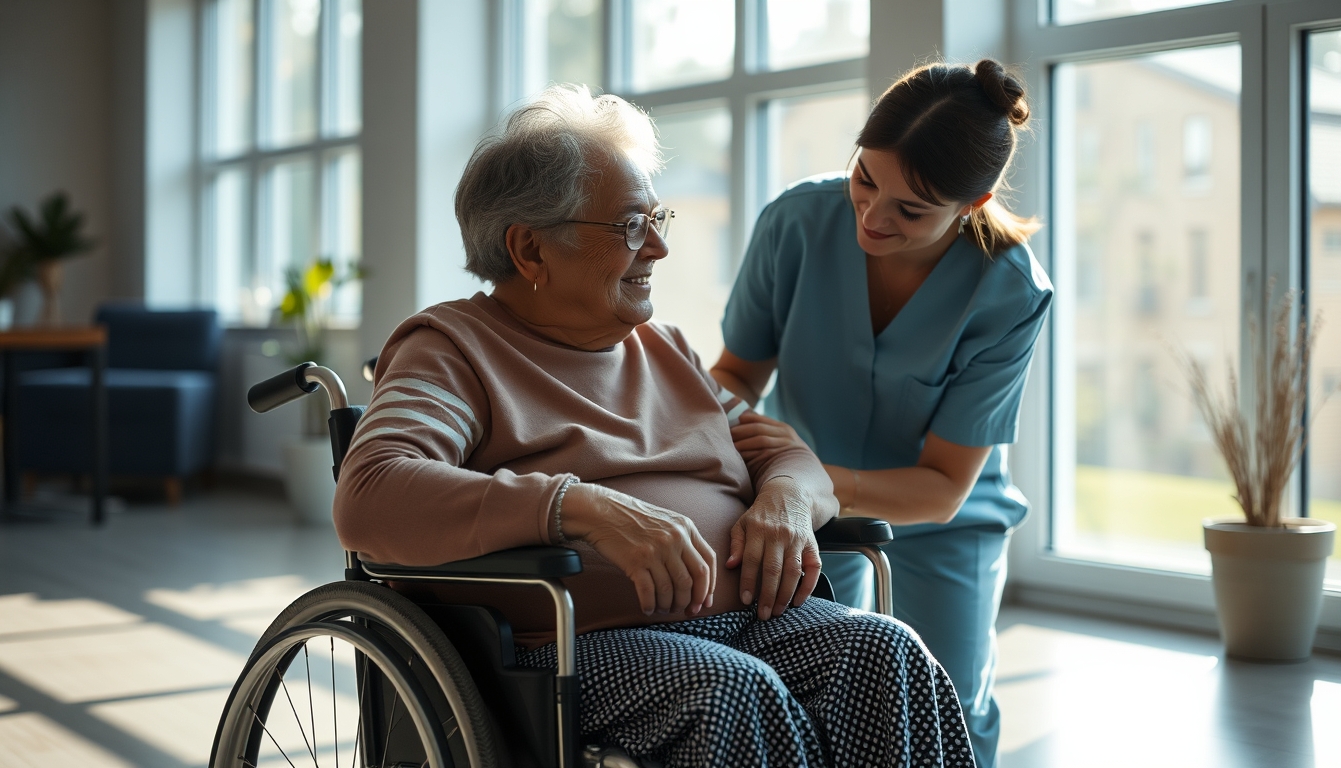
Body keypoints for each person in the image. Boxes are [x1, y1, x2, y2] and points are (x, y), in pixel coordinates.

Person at [334, 85, 973, 768]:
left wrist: (787, 501)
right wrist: (581, 508)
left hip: (750, 622)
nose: (660, 248)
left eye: (656, 218)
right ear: (530, 249)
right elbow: (371, 492)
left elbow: (786, 455)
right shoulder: (454, 348)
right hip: (573, 649)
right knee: (732, 692)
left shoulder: (665, 350)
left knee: (887, 651)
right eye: (632, 226)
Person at [711, 60, 1054, 768]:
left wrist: (808, 479)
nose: (872, 216)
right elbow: (737, 375)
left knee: (949, 709)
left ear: (972, 203)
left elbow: (944, 485)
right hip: (803, 507)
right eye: (865, 178)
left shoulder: (1011, 292)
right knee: (814, 697)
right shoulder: (794, 223)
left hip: (942, 521)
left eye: (911, 209)